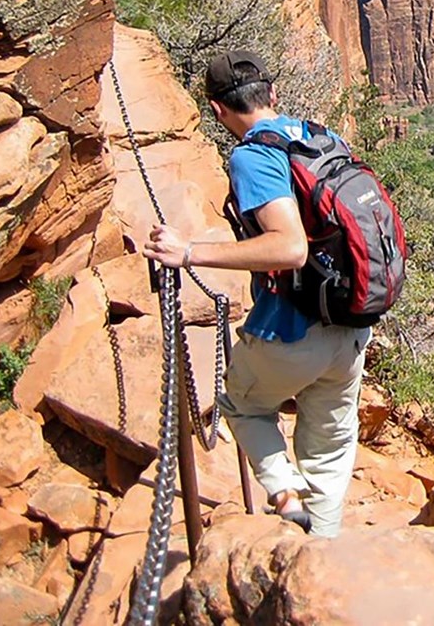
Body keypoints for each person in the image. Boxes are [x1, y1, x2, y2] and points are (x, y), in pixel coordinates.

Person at [142, 50, 369, 537]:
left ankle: (286, 502)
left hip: (292, 330)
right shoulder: (320, 136)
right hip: (352, 326)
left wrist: (188, 254)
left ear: (218, 110)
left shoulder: (251, 156)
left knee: (241, 405)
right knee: (329, 450)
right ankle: (320, 552)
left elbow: (288, 247)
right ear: (273, 95)